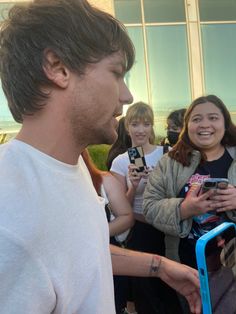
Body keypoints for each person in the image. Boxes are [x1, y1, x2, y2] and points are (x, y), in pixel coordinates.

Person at [0, 1, 201, 313]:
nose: (127, 95)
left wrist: (159, 266)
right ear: (58, 68)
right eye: (116, 73)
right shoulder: (10, 218)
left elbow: (76, 251)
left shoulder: (71, 166)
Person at [143, 95, 236, 271]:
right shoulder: (169, 162)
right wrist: (184, 209)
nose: (204, 124)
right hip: (188, 266)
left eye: (213, 118)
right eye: (196, 119)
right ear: (188, 126)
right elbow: (149, 207)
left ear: (225, 123)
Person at [110, 102, 182, 314]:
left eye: (146, 124)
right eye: (135, 124)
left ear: (152, 127)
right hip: (140, 231)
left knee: (173, 286)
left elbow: (180, 191)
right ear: (127, 127)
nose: (141, 129)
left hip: (169, 228)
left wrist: (160, 181)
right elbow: (119, 209)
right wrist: (133, 186)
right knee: (146, 290)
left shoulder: (167, 153)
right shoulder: (122, 161)